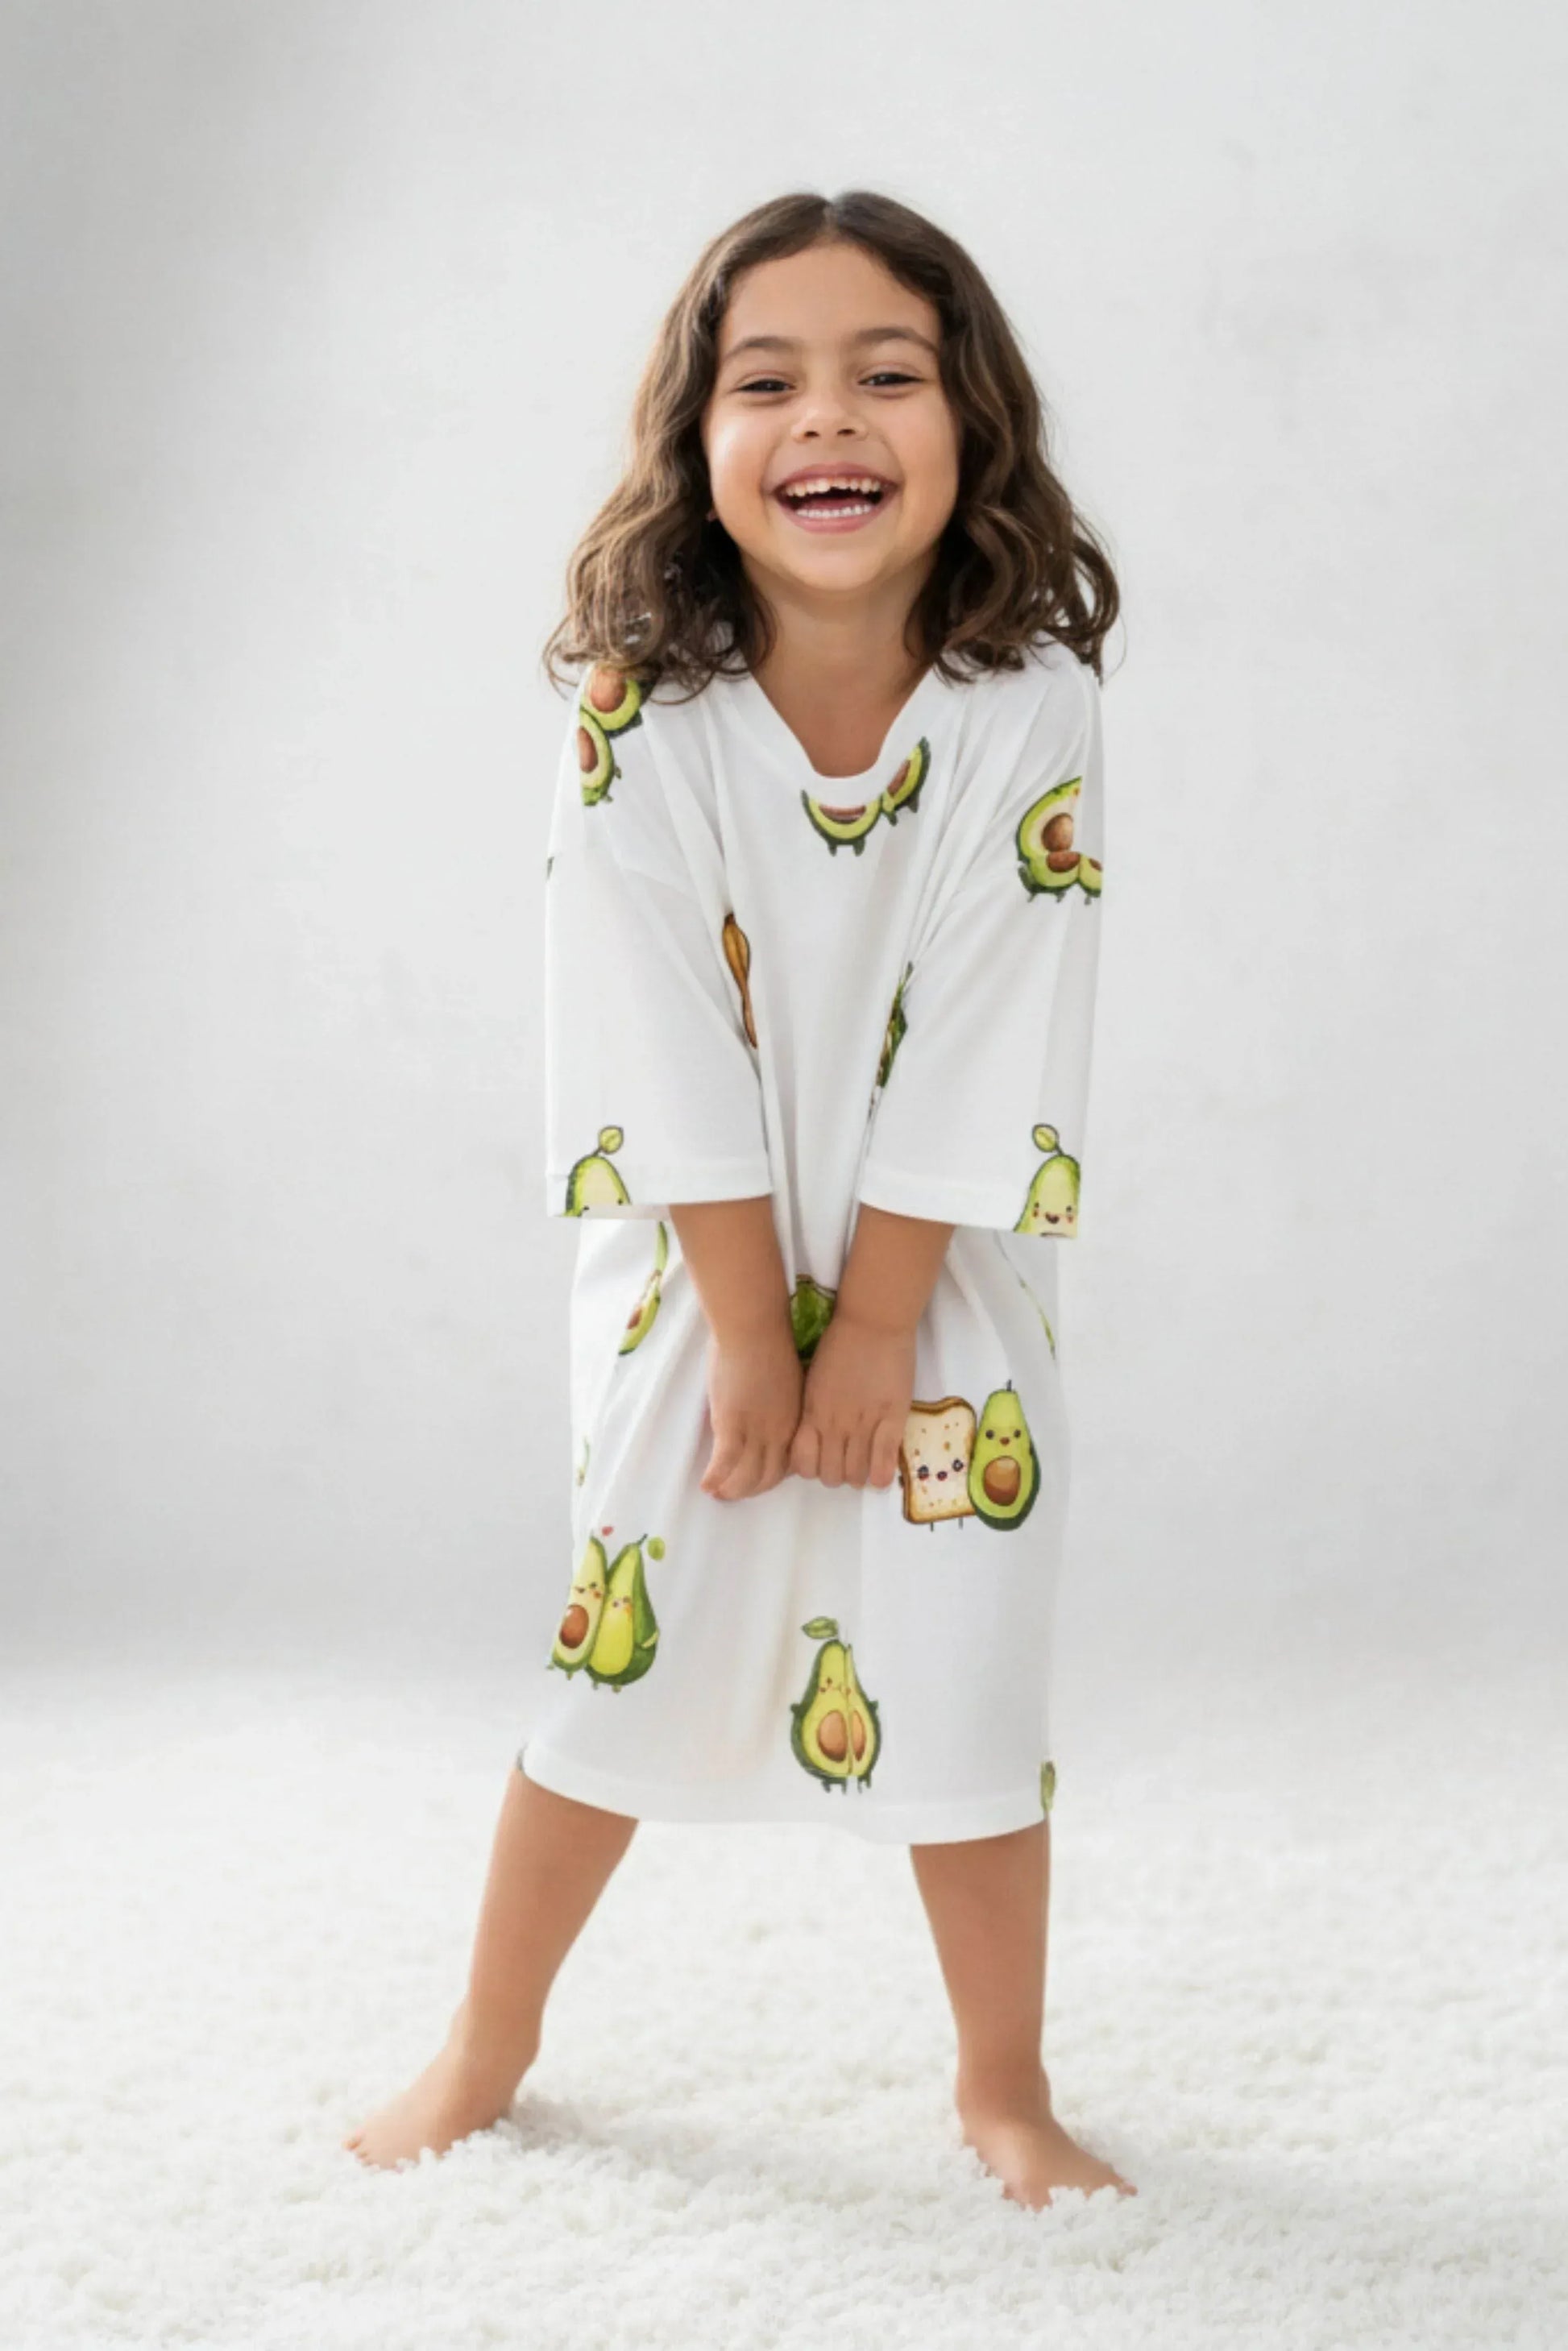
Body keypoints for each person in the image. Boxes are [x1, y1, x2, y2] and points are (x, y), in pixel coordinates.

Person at [346, 188, 1134, 2209]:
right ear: (698, 443)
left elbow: (990, 1021)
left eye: (886, 373)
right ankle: (487, 2040)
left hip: (938, 1275)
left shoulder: (1024, 707)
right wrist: (752, 1328)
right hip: (687, 1273)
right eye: (764, 381)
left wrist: (871, 1325)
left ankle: (1003, 2084)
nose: (826, 420)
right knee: (620, 1641)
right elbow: (651, 1039)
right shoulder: (640, 712)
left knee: (966, 1658)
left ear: (969, 422)